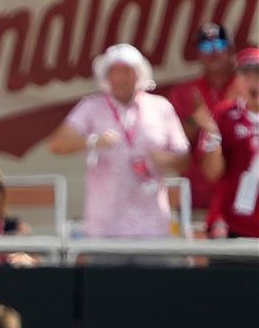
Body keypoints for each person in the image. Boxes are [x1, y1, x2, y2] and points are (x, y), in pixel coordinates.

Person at [48, 43, 189, 240]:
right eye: (115, 72)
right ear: (106, 77)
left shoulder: (161, 107)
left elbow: (185, 158)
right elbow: (57, 144)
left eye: (127, 72)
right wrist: (91, 142)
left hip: (152, 227)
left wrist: (167, 160)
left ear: (138, 75)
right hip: (105, 228)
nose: (121, 78)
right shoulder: (90, 107)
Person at [167, 22, 241, 211]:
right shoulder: (184, 92)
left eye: (219, 46)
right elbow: (171, 144)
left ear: (231, 50)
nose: (213, 52)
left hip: (242, 196)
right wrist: (196, 121)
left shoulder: (247, 88)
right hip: (197, 198)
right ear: (198, 54)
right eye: (206, 47)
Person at [201, 46, 259, 238]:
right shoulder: (225, 114)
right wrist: (214, 139)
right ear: (237, 80)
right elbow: (212, 173)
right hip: (232, 224)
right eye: (246, 75)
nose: (253, 81)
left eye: (258, 74)